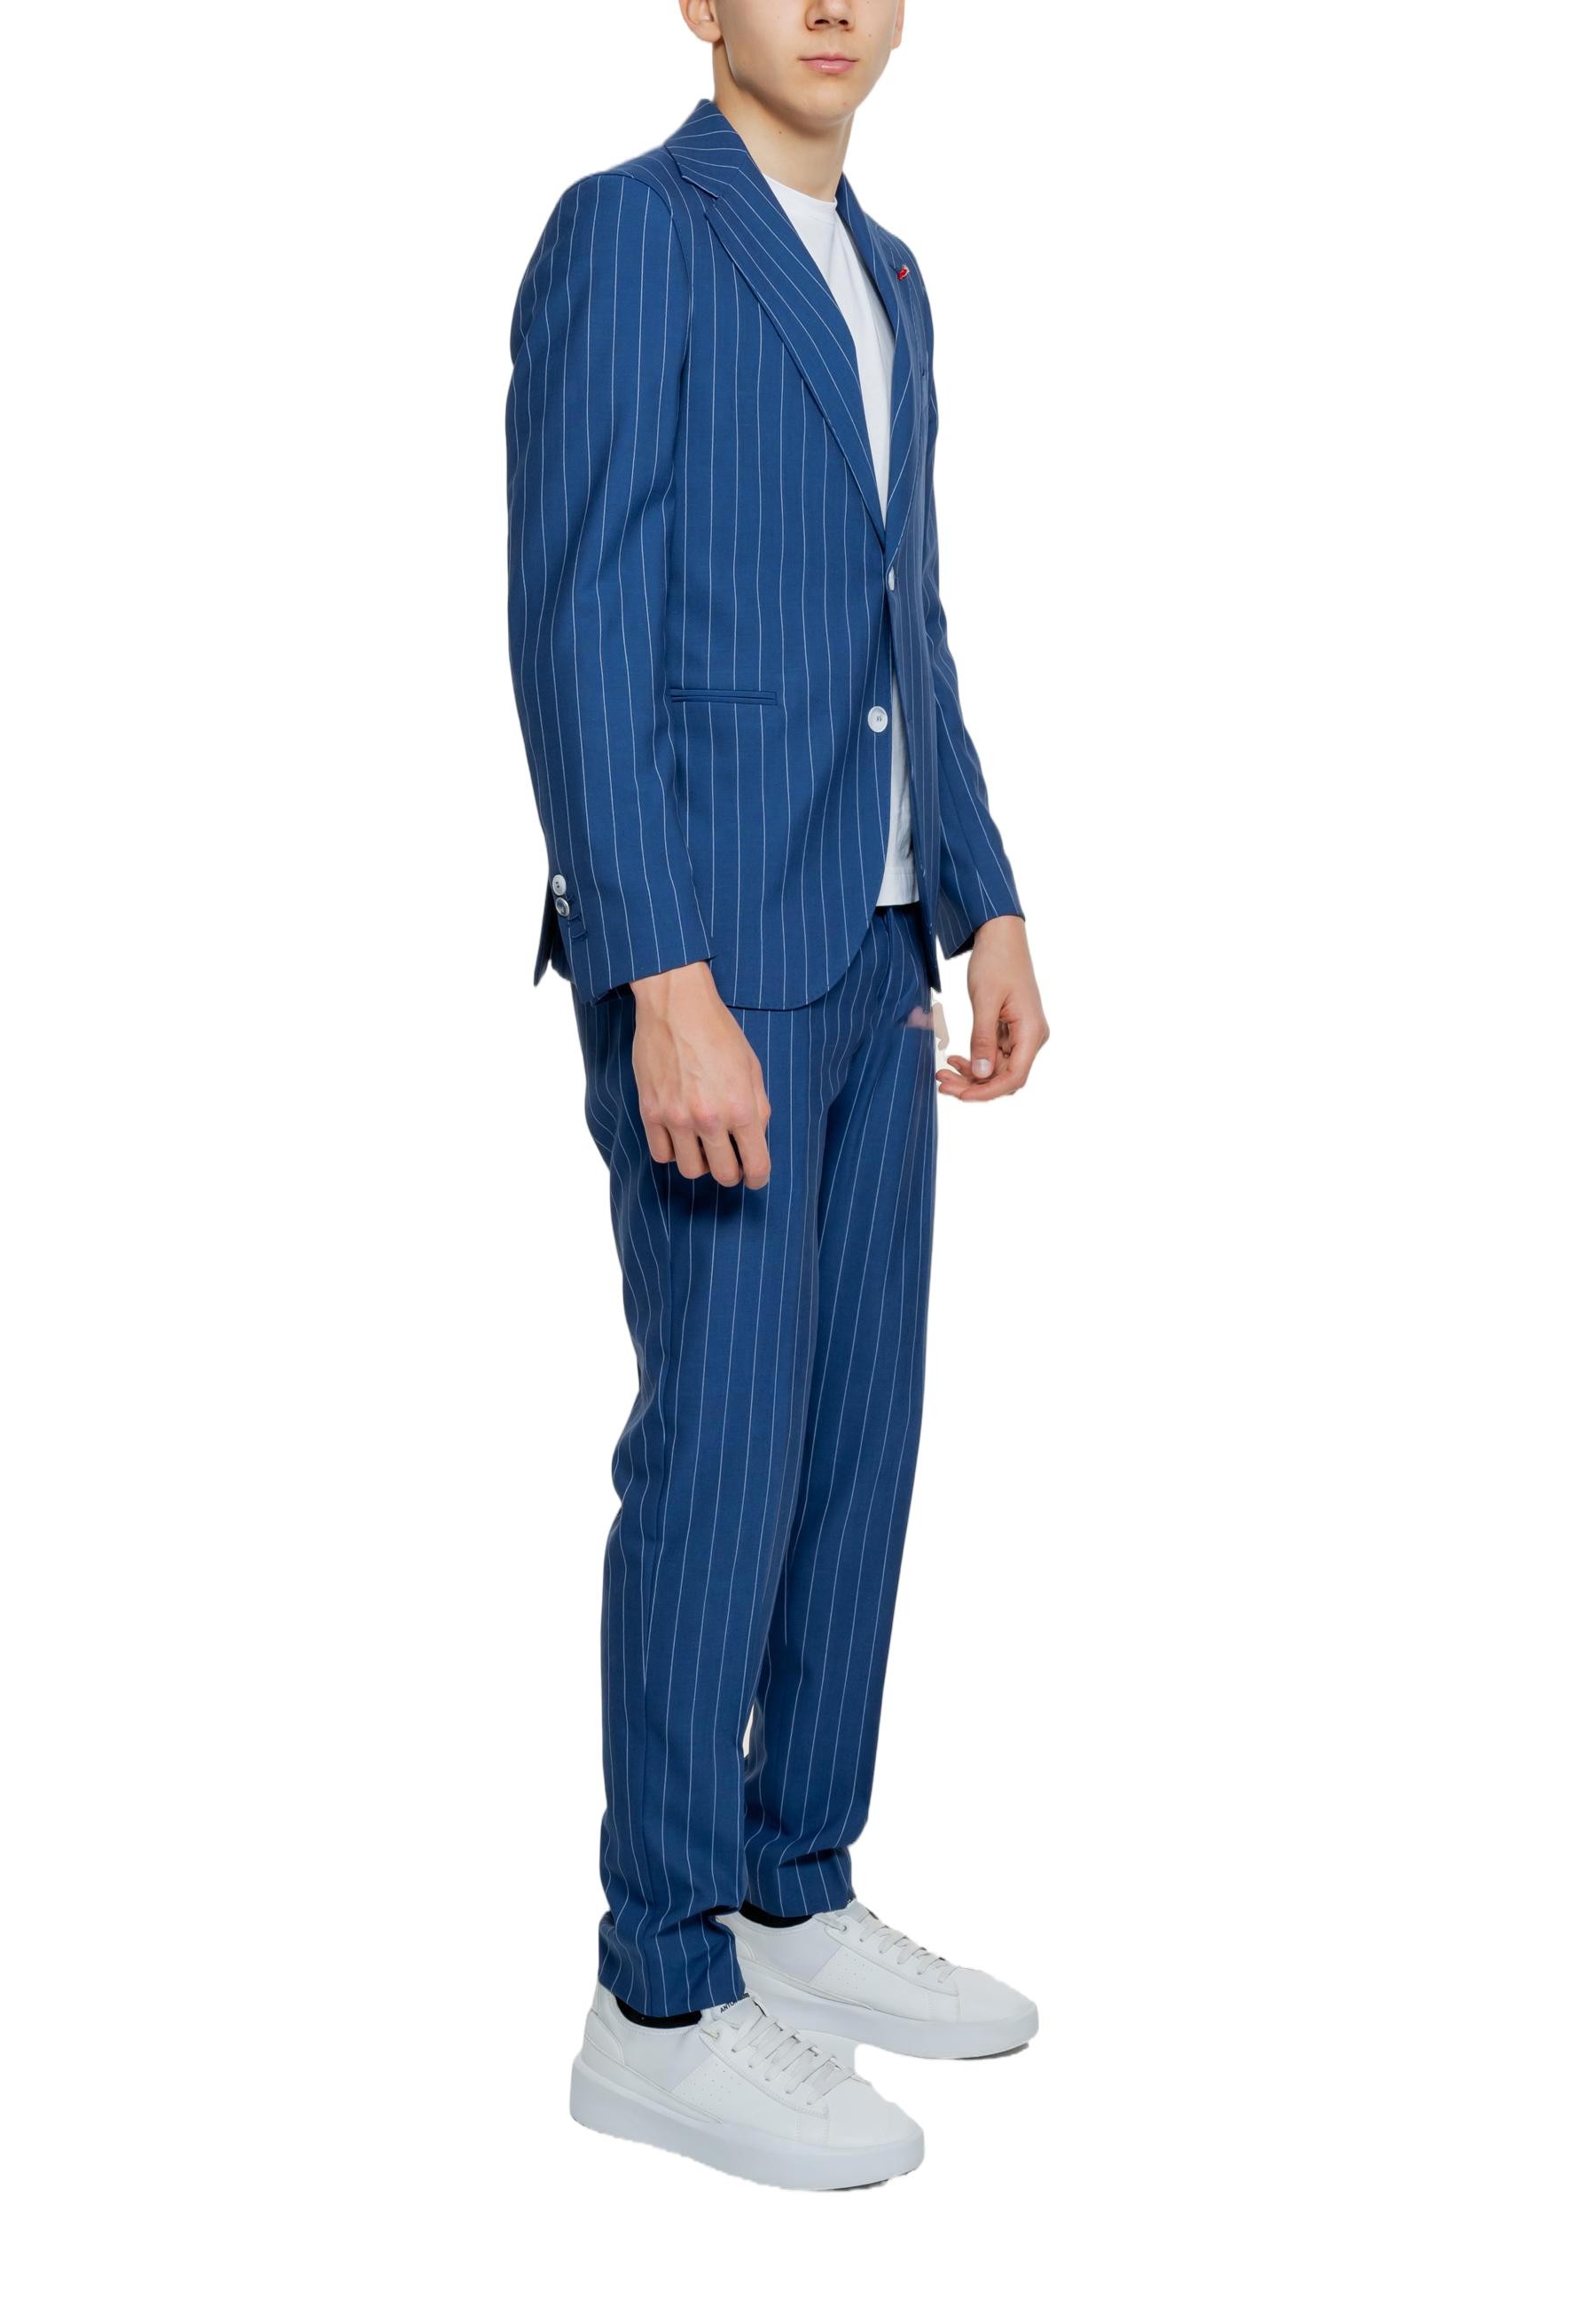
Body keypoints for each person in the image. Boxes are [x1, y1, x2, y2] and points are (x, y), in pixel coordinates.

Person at [506, 1, 1050, 2190]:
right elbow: (577, 618)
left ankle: (790, 1887)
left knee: (851, 1447)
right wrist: (657, 970)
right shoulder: (631, 233)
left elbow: (912, 620)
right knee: (722, 1453)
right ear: (699, 4)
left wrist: (987, 895)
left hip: (880, 956)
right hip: (715, 964)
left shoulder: (891, 269)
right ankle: (657, 1986)